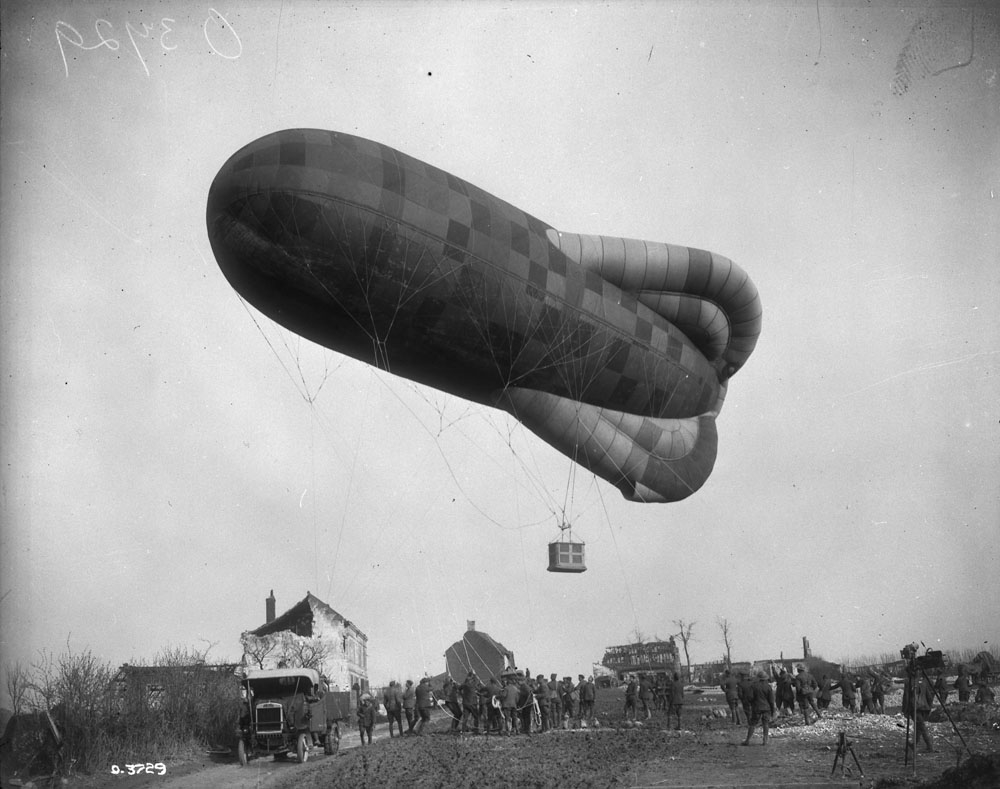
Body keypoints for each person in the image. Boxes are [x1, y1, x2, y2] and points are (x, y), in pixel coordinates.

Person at [902, 666, 935, 753]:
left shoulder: (909, 682)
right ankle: (914, 744)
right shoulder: (923, 682)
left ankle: (929, 746)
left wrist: (905, 710)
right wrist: (929, 706)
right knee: (918, 726)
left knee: (921, 726)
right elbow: (929, 696)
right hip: (924, 708)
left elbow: (906, 697)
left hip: (915, 708)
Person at [742, 671, 776, 746]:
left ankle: (747, 740)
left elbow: (749, 697)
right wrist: (773, 710)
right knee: (765, 724)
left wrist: (752, 703)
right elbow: (771, 700)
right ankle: (765, 740)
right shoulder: (768, 687)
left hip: (756, 707)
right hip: (766, 708)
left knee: (753, 724)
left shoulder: (753, 686)